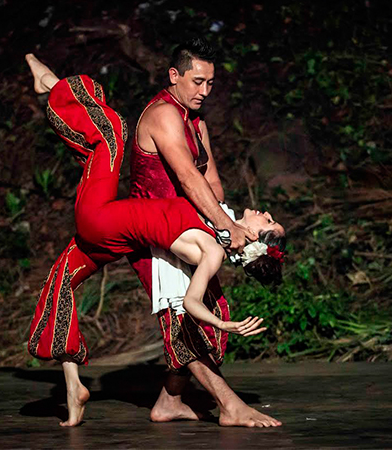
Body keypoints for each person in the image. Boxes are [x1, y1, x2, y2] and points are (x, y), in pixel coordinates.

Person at [26, 53, 284, 428]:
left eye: (211, 83)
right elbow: (187, 177)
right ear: (174, 75)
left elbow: (207, 180)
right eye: (198, 82)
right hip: (133, 230)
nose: (205, 91)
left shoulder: (212, 230)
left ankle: (168, 400)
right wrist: (227, 223)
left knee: (110, 134)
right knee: (111, 132)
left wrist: (226, 221)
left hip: (115, 225)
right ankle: (226, 404)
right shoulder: (165, 115)